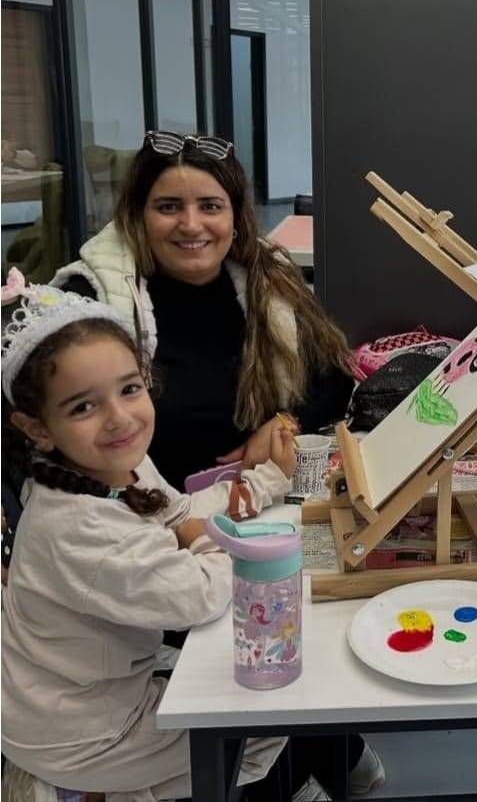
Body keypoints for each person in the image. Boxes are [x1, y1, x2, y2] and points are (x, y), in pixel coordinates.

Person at [0, 275, 385, 799]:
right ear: (37, 428)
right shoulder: (77, 527)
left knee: (268, 672)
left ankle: (338, 772)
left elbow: (181, 513)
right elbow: (198, 595)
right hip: (81, 734)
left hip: (89, 688)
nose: (119, 419)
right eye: (83, 407)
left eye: (129, 389)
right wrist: (209, 540)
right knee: (265, 713)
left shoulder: (115, 468)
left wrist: (266, 479)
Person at [50, 131, 355, 489]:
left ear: (235, 217)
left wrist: (287, 422)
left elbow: (333, 378)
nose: (191, 225)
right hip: (133, 509)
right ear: (138, 215)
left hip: (256, 500)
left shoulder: (269, 282)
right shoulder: (87, 301)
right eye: (168, 207)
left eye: (210, 206)